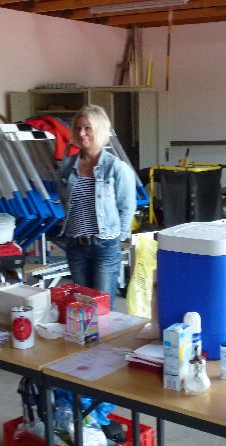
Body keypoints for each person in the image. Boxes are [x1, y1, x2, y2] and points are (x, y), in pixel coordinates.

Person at [57, 105, 137, 309]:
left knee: (101, 307)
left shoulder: (116, 167)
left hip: (104, 245)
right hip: (75, 244)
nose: (81, 133)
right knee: (80, 306)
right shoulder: (67, 166)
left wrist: (117, 239)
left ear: (100, 130)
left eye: (87, 128)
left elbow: (127, 206)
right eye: (77, 128)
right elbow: (65, 199)